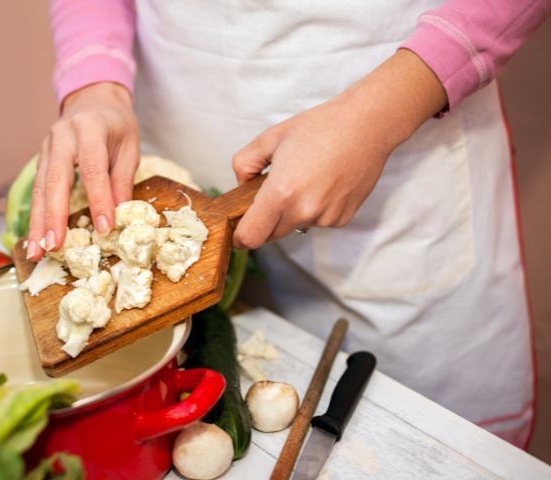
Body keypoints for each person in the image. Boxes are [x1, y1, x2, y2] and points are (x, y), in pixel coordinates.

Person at [27, 1, 550, 447]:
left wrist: (379, 115)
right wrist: (96, 86)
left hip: (396, 177)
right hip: (177, 165)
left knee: (414, 442)